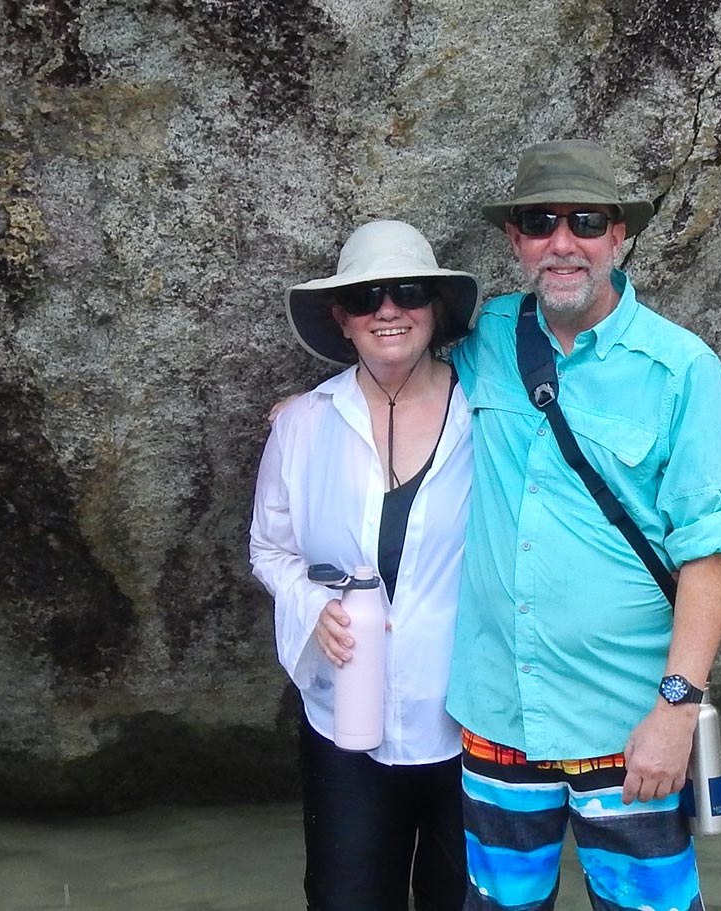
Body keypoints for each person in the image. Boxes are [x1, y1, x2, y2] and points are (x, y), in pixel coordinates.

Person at [446, 140, 721, 911]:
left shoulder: (680, 368)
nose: (562, 241)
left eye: (585, 221)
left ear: (619, 237)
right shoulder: (486, 339)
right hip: (499, 718)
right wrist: (313, 409)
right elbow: (396, 370)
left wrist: (674, 712)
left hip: (629, 726)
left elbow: (709, 555)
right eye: (539, 222)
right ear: (515, 241)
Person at [249, 220, 478, 911]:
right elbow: (269, 547)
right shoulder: (304, 424)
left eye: (407, 291)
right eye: (367, 296)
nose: (388, 309)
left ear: (434, 310)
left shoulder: (491, 412)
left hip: (471, 718)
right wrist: (310, 606)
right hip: (344, 715)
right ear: (342, 319)